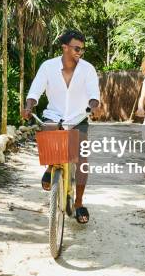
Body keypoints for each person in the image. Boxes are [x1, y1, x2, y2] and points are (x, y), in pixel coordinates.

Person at [21, 29, 100, 224]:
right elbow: (35, 89)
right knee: (50, 132)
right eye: (76, 48)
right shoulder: (48, 67)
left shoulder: (87, 69)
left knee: (82, 160)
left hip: (79, 116)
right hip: (53, 115)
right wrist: (28, 107)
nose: (79, 52)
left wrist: (94, 106)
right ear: (64, 47)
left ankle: (79, 203)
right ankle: (51, 167)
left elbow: (93, 93)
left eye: (82, 49)